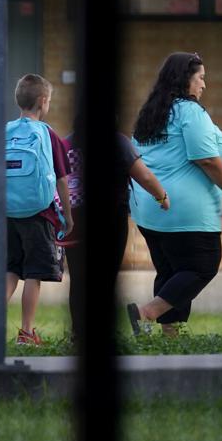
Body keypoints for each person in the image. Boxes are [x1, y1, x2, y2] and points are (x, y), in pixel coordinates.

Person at [125, 52, 222, 337]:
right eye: (201, 78)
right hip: (185, 210)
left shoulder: (152, 113)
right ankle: (146, 313)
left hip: (149, 207)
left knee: (171, 271)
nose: (204, 85)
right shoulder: (190, 112)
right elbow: (206, 159)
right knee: (202, 265)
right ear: (185, 80)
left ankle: (170, 337)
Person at [58, 116, 169, 339]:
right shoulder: (118, 142)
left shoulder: (66, 143)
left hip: (74, 217)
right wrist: (162, 196)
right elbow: (144, 176)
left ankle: (79, 332)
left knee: (79, 279)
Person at [5, 74, 74, 346]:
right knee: (33, 274)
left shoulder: (6, 131)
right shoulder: (48, 134)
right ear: (43, 102)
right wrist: (67, 216)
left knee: (10, 270)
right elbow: (62, 179)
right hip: (39, 214)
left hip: (8, 212)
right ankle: (26, 332)